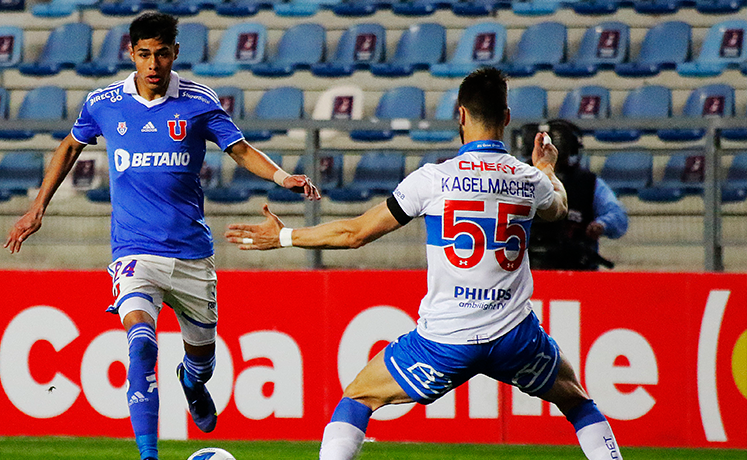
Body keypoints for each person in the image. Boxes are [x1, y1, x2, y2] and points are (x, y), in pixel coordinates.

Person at [225, 67, 623, 460]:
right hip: (514, 337)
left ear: (461, 114)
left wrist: (283, 236)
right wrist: (547, 168)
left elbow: (355, 234)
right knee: (578, 403)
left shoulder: (434, 179)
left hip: (445, 340)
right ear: (505, 118)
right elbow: (561, 208)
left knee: (357, 398)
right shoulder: (528, 179)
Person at [3, 12, 320, 460]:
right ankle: (148, 456)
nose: (154, 64)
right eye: (145, 54)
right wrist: (37, 207)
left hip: (192, 254)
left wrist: (283, 177)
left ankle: (190, 380)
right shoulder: (104, 102)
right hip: (135, 253)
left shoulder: (198, 101)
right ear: (131, 53)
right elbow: (71, 145)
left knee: (203, 363)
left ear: (175, 54)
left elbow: (240, 148)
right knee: (141, 346)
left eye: (163, 54)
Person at [519, 119, 628, 270]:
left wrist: (602, 224)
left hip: (576, 268)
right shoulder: (518, 179)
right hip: (526, 269)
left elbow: (618, 216)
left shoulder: (587, 181)